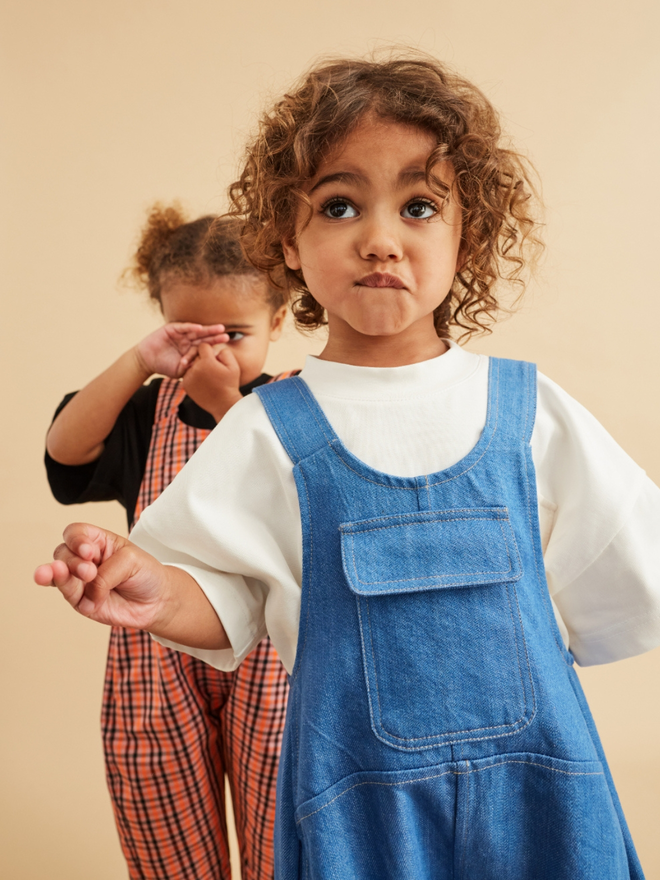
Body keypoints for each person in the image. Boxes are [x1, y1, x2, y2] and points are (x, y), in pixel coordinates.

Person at [36, 54, 660, 879]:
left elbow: (628, 562)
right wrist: (152, 592)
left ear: (466, 235)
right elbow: (224, 600)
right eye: (339, 205)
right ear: (287, 245)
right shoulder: (269, 428)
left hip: (536, 791)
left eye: (420, 205)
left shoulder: (528, 409)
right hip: (355, 813)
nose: (378, 238)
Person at [44, 206, 293, 880]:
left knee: (283, 820)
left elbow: (296, 490)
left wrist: (222, 404)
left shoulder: (295, 406)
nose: (211, 355)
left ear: (281, 317)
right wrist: (139, 363)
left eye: (236, 334)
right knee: (160, 809)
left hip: (275, 651)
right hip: (155, 648)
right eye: (188, 334)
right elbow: (65, 453)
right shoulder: (145, 411)